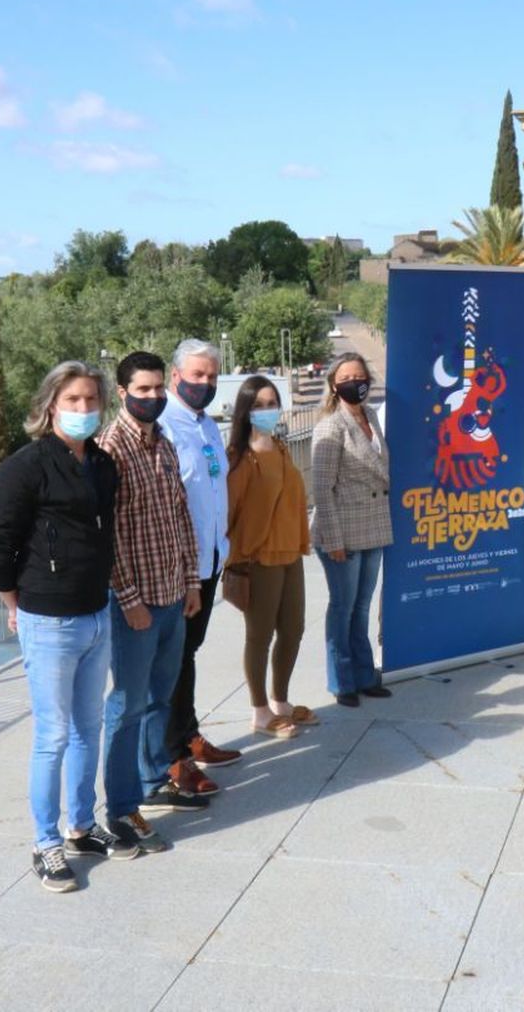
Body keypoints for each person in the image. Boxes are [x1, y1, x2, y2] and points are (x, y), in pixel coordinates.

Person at [0, 359, 140, 895]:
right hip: (48, 619)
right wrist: (15, 604)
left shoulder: (101, 463)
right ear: (50, 405)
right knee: (52, 735)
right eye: (72, 400)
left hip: (97, 612)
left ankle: (80, 825)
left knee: (87, 727)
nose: (83, 410)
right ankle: (45, 842)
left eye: (91, 401)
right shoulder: (24, 468)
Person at [99, 351, 206, 851]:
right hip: (136, 605)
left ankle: (153, 778)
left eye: (159, 388)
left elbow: (180, 518)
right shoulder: (111, 450)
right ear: (122, 392)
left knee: (161, 698)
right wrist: (129, 598)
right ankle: (121, 809)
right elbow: (109, 536)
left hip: (172, 596)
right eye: (143, 390)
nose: (155, 396)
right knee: (127, 707)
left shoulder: (162, 442)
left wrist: (191, 583)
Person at [157, 338, 243, 796]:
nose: (205, 384)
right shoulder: (164, 425)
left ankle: (189, 734)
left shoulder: (208, 426)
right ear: (176, 377)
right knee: (171, 661)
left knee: (188, 654)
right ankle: (173, 758)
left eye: (211, 376)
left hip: (210, 562)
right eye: (197, 376)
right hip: (176, 568)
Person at [227, 374, 316, 735]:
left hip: (290, 552)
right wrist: (236, 559)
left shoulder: (280, 447)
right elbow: (229, 513)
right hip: (258, 558)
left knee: (293, 630)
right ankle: (260, 711)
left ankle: (281, 701)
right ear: (246, 411)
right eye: (259, 405)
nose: (267, 410)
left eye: (271, 403)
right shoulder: (240, 458)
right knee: (259, 637)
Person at [311, 352, 395, 705]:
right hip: (342, 532)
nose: (354, 382)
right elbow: (321, 488)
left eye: (360, 375)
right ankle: (342, 681)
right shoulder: (330, 426)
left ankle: (364, 674)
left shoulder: (372, 416)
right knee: (342, 608)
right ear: (334, 384)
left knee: (361, 607)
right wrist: (333, 539)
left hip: (373, 526)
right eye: (346, 377)